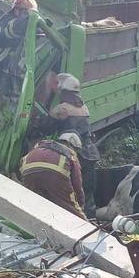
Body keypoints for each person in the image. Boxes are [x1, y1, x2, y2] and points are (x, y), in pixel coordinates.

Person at [42, 73, 100, 217]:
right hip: (89, 153)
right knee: (87, 192)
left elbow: (46, 128)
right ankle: (90, 220)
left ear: (64, 92)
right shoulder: (84, 108)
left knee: (68, 190)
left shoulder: (62, 109)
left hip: (71, 154)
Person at [19, 131, 86, 219]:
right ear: (72, 145)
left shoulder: (39, 147)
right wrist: (80, 206)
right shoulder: (70, 153)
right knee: (70, 209)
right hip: (53, 176)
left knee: (35, 204)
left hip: (27, 172)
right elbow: (77, 183)